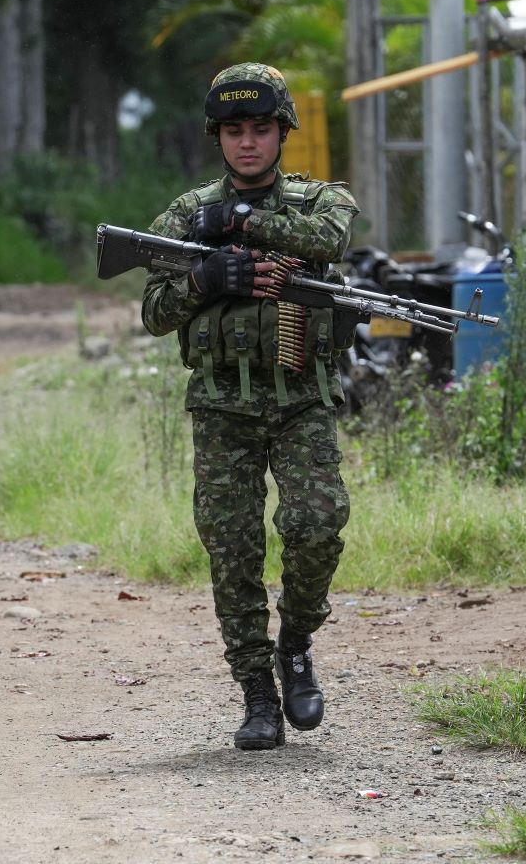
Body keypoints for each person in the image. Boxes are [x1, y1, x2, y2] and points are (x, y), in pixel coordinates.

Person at [140, 64, 360, 750]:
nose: (247, 143)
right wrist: (207, 275)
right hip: (222, 404)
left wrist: (241, 223)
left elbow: (332, 241)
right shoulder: (183, 217)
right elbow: (152, 311)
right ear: (217, 137)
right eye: (233, 131)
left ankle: (295, 643)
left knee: (318, 522)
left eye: (260, 128)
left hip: (301, 397)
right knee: (232, 549)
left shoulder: (321, 201)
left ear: (281, 132)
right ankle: (257, 693)